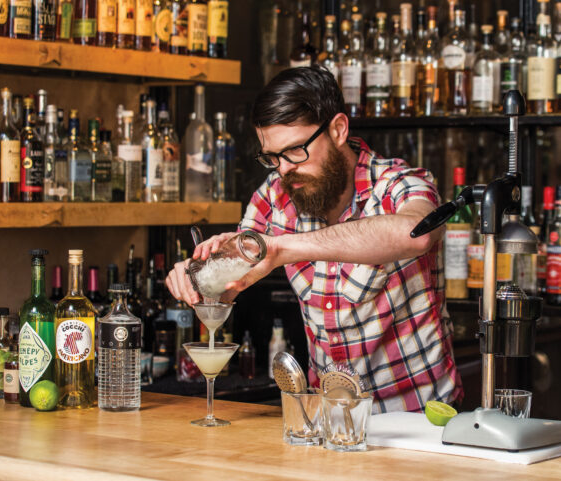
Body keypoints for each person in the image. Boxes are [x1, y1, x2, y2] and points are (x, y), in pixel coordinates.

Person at [166, 66, 462, 413]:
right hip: (329, 421)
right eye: (272, 157)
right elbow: (232, 285)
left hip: (420, 423)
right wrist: (197, 278)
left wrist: (282, 248)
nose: (283, 169)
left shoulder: (401, 184)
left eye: (294, 151)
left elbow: (416, 234)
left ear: (338, 129)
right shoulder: (274, 197)